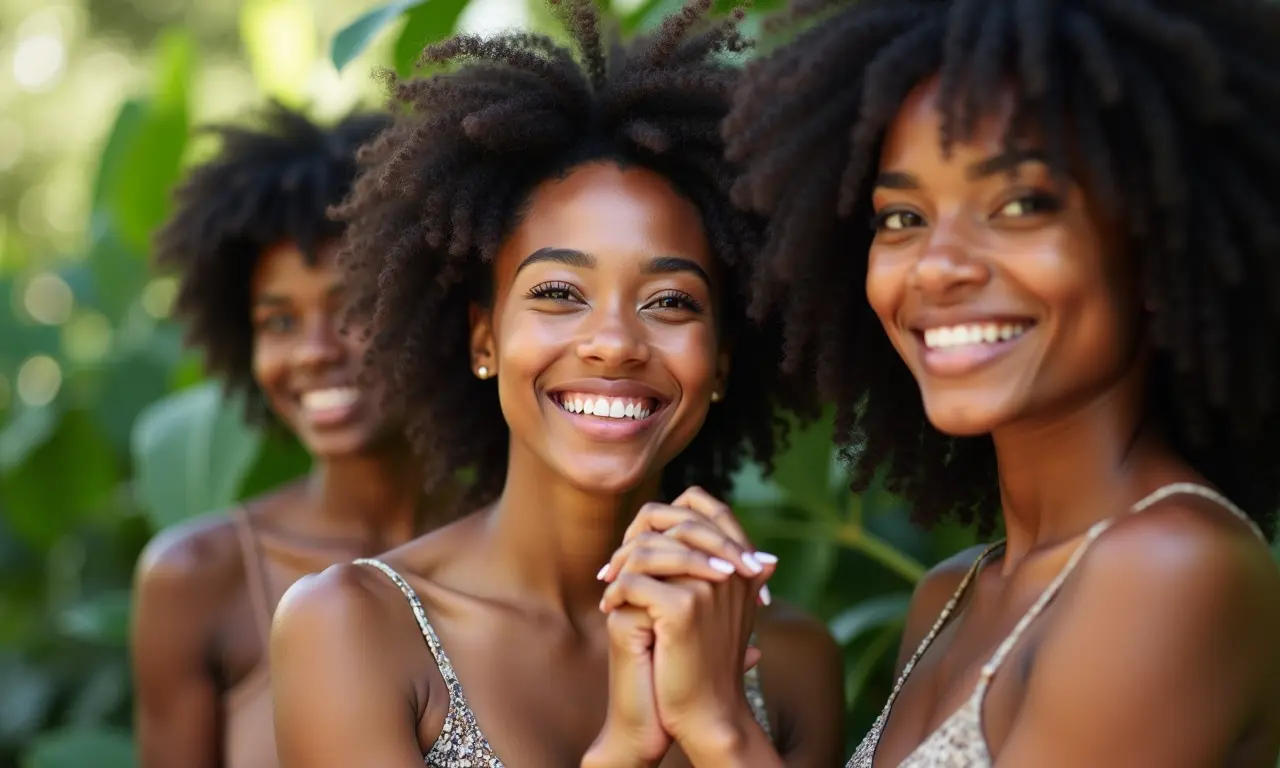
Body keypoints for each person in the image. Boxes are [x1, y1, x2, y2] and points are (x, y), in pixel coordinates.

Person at [599, 0, 1280, 765]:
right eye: (901, 218)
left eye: (1020, 205)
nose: (937, 264)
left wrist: (721, 726)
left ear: (1160, 241)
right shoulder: (950, 596)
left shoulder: (1173, 570)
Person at [267, 2, 846, 766]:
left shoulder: (791, 662)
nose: (612, 343)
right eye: (558, 294)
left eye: (670, 302)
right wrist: (628, 747)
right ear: (484, 337)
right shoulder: (353, 626)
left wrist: (722, 730)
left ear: (725, 361)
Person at [131, 103, 457, 768]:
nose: (312, 352)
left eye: (354, 310)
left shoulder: (537, 547)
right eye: (278, 323)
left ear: (437, 307)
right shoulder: (197, 579)